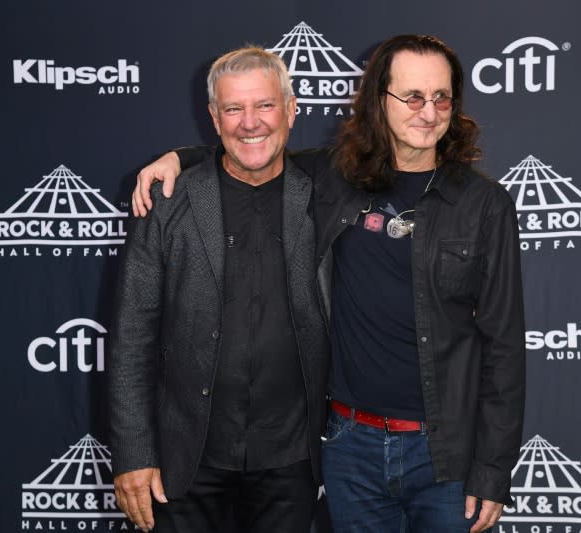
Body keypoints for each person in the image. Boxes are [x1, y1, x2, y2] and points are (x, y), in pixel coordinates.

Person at [133, 35, 525, 533]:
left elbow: (505, 346)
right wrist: (181, 157)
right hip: (349, 448)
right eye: (411, 96)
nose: (428, 112)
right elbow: (255, 149)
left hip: (446, 454)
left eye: (440, 97)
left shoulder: (485, 205)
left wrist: (492, 471)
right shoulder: (335, 176)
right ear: (378, 100)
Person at [108, 47, 330, 533]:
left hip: (290, 461)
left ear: (292, 110)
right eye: (233, 109)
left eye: (265, 106)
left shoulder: (324, 194)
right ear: (213, 117)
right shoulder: (168, 204)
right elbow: (132, 340)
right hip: (184, 463)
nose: (250, 123)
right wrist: (133, 455)